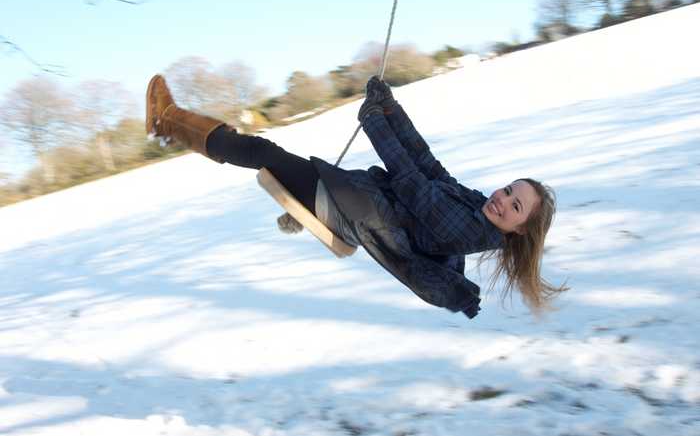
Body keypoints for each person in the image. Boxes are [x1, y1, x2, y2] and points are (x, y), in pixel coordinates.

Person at [146, 74, 565, 319]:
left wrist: (373, 123)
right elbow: (427, 162)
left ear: (517, 229)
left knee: (263, 153)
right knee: (266, 155)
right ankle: (171, 125)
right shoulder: (475, 208)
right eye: (509, 190)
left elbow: (411, 181)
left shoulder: (467, 230)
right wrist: (390, 108)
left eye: (515, 207)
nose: (502, 200)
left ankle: (169, 121)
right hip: (359, 201)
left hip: (352, 211)